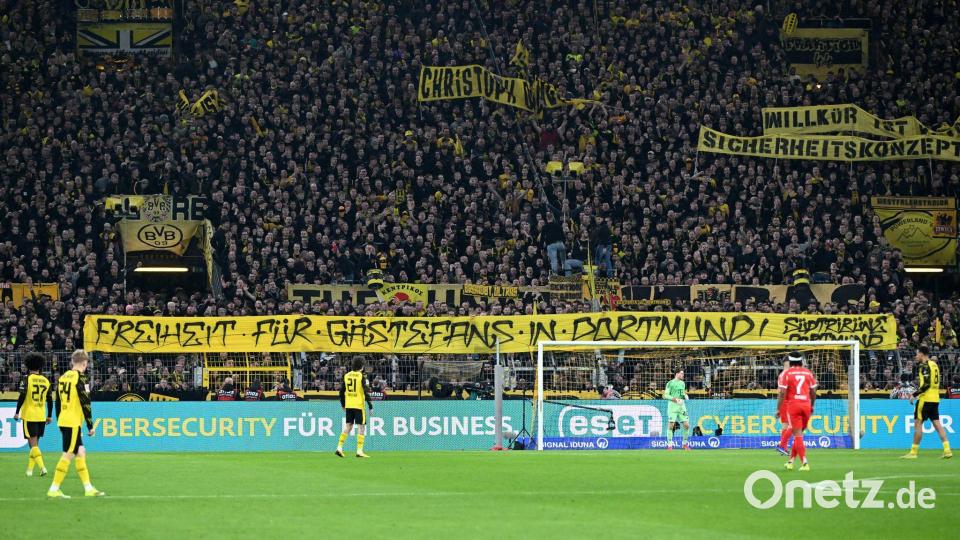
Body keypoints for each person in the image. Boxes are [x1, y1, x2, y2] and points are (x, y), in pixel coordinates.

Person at [47, 350, 104, 498]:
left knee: (81, 451)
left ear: (73, 362)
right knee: (68, 454)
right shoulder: (81, 378)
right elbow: (85, 402)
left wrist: (59, 422)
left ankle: (88, 488)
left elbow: (58, 401)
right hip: (72, 422)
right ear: (84, 363)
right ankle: (54, 488)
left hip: (65, 420)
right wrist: (90, 425)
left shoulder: (64, 377)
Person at [901, 346, 952, 459]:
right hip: (935, 398)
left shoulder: (924, 366)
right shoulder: (935, 365)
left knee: (918, 424)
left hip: (925, 399)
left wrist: (914, 395)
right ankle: (947, 450)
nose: (916, 356)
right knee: (938, 425)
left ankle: (913, 452)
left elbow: (926, 384)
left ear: (922, 354)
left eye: (917, 354)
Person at [13, 352, 52, 477]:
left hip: (29, 415)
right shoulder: (46, 380)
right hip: (41, 415)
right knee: (35, 445)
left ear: (28, 366)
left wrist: (17, 412)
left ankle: (42, 468)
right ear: (40, 366)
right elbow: (50, 399)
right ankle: (29, 470)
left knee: (33, 445)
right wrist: (50, 415)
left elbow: (22, 396)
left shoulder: (27, 379)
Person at [777, 352, 817, 471]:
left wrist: (778, 408)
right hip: (806, 405)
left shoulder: (786, 373)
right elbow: (814, 391)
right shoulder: (807, 372)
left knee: (797, 434)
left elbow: (782, 392)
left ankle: (804, 462)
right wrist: (812, 405)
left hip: (793, 404)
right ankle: (791, 461)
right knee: (798, 434)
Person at [336, 358, 373, 458]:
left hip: (349, 405)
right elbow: (365, 391)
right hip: (359, 405)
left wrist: (343, 404)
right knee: (361, 427)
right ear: (361, 366)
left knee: (348, 426)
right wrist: (370, 405)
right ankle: (359, 451)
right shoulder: (361, 376)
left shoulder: (347, 375)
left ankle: (339, 447)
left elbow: (341, 392)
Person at [664, 370, 690, 450]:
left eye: (683, 373)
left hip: (681, 406)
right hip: (672, 406)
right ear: (677, 374)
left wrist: (685, 395)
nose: (683, 375)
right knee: (671, 426)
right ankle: (669, 445)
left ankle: (684, 444)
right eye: (681, 373)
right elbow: (665, 395)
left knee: (686, 425)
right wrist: (675, 399)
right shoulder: (670, 383)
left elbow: (681, 393)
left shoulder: (682, 383)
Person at [775, 359, 792, 456]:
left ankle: (783, 447)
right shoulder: (787, 374)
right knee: (792, 426)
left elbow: (779, 390)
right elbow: (782, 391)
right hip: (787, 402)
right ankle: (782, 445)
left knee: (786, 425)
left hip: (784, 402)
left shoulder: (781, 375)